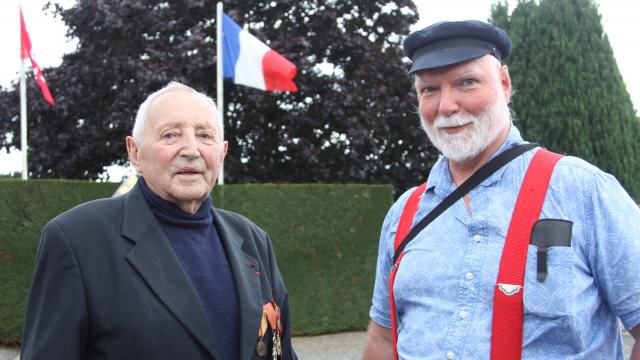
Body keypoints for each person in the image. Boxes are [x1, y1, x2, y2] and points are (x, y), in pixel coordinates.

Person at [363, 20, 640, 359]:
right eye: (429, 89)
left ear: (505, 83)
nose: (446, 105)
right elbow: (383, 340)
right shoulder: (403, 213)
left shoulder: (582, 191)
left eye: (467, 82)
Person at [21, 81, 297, 360]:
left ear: (222, 153)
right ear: (135, 153)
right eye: (170, 135)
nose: (191, 149)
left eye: (204, 135)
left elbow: (280, 350)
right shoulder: (76, 239)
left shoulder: (253, 239)